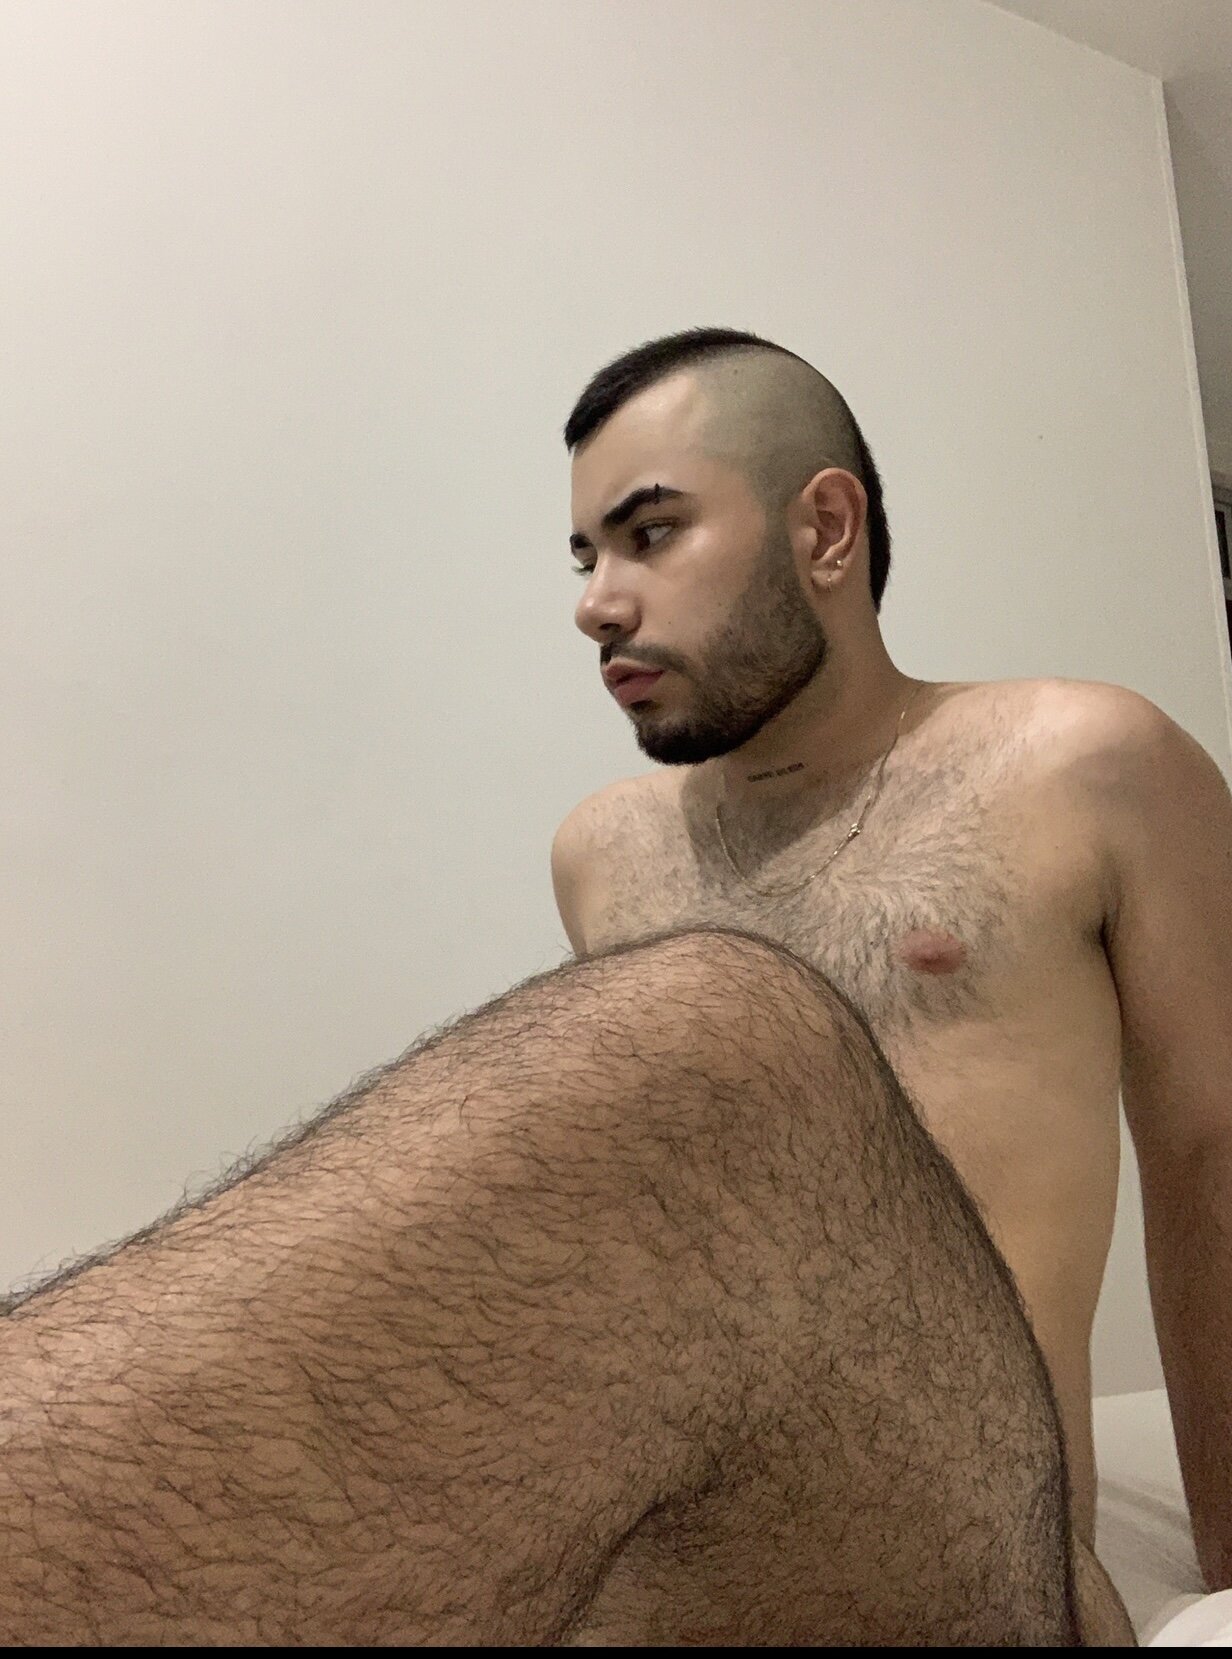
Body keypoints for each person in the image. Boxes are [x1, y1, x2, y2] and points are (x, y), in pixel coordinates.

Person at [1, 332, 1169, 1643]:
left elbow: (1212, 1150)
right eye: (584, 558)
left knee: (725, 1023)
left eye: (650, 535)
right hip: (683, 1545)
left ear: (824, 531)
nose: (596, 605)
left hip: (975, 1545)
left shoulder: (1082, 761)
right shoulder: (605, 848)